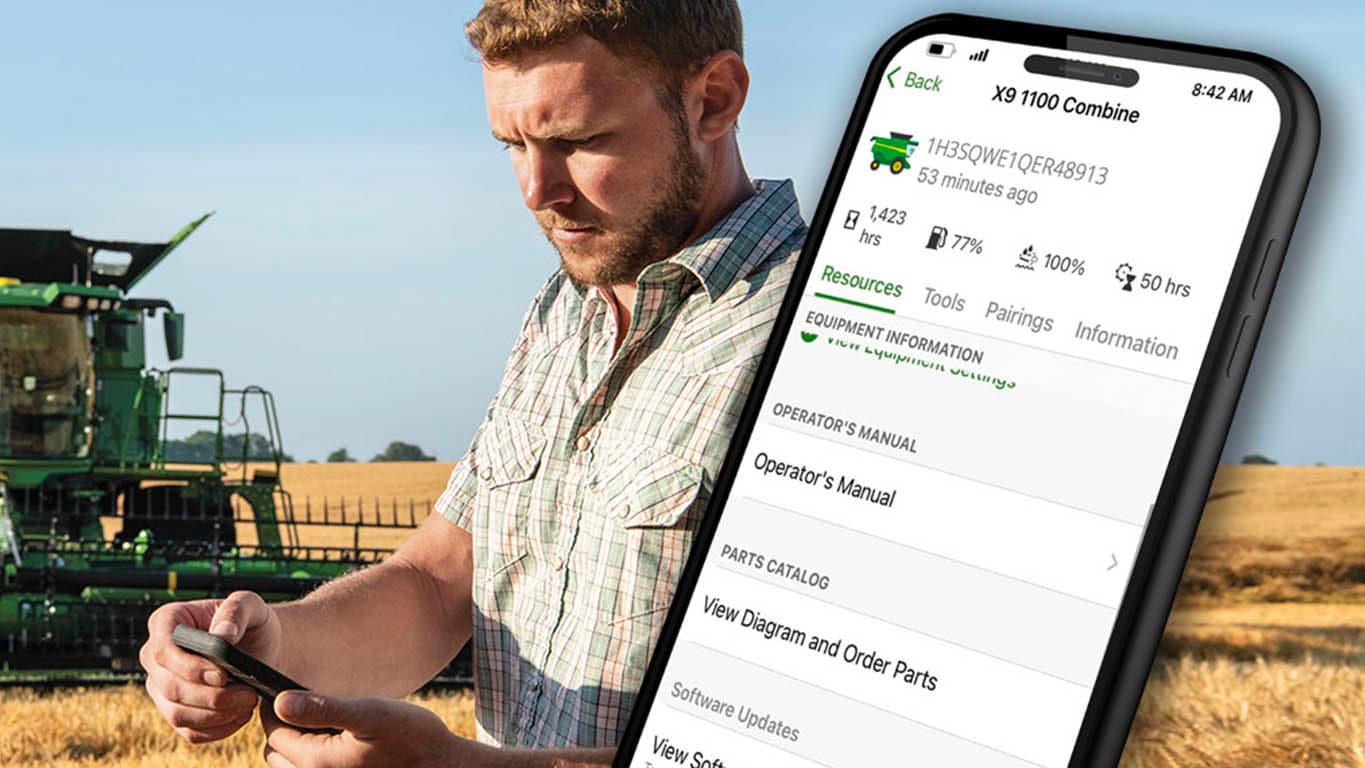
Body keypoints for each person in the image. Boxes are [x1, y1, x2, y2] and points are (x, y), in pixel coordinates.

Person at [139, 2, 807, 766]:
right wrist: (274, 642)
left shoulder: (824, 338)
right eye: (511, 145)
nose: (536, 190)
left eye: (578, 142)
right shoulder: (566, 311)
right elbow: (436, 582)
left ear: (713, 99)